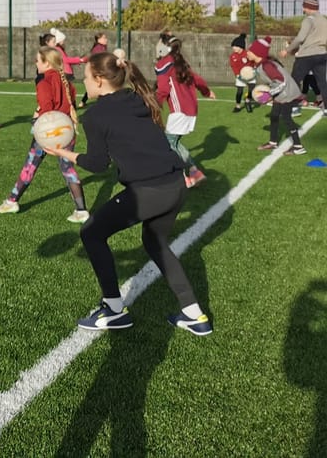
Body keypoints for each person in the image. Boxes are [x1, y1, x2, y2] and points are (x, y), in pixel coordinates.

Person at [44, 51, 214, 336]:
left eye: (86, 78)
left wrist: (64, 152)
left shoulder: (95, 115)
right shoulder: (137, 97)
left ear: (99, 81)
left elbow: (98, 164)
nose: (84, 82)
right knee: (154, 241)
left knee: (92, 233)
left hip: (151, 191)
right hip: (176, 184)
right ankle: (195, 315)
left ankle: (113, 309)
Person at [0, 46, 88, 223]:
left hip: (50, 131)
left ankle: (12, 201)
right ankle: (82, 211)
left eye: (38, 60)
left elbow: (46, 109)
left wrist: (36, 118)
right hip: (67, 130)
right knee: (68, 169)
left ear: (46, 62)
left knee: (30, 165)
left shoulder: (44, 81)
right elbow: (70, 104)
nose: (35, 63)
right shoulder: (66, 81)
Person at [154, 33, 216, 188]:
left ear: (163, 47)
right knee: (174, 143)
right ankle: (195, 172)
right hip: (191, 109)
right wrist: (206, 91)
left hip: (180, 111)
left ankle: (184, 178)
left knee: (168, 144)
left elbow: (162, 89)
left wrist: (152, 105)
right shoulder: (179, 61)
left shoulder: (163, 64)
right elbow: (197, 79)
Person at [248, 36, 306, 155]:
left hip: (287, 92)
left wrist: (268, 95)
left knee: (287, 118)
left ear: (257, 53)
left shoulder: (267, 65)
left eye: (250, 50)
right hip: (280, 92)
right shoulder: (261, 64)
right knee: (274, 115)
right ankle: (273, 142)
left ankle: (298, 146)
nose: (247, 52)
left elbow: (281, 82)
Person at [278, 0, 327, 114]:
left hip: (307, 55)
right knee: (322, 82)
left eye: (304, 7)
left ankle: (294, 107)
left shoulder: (308, 20)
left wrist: (287, 50)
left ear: (309, 7)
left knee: (294, 81)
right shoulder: (324, 20)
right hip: (321, 54)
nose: (303, 9)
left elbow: (300, 38)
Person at [79, 31, 109, 107]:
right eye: (104, 38)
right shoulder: (99, 49)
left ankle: (83, 101)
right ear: (98, 39)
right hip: (97, 70)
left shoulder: (101, 48)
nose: (106, 39)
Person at [229, 33, 256, 113]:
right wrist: (237, 74)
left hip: (250, 74)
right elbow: (234, 66)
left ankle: (248, 101)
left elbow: (254, 61)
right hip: (240, 76)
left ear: (241, 47)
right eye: (233, 46)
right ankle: (237, 106)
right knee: (240, 91)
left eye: (235, 46)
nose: (233, 48)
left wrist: (254, 68)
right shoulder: (233, 56)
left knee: (252, 88)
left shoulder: (248, 54)